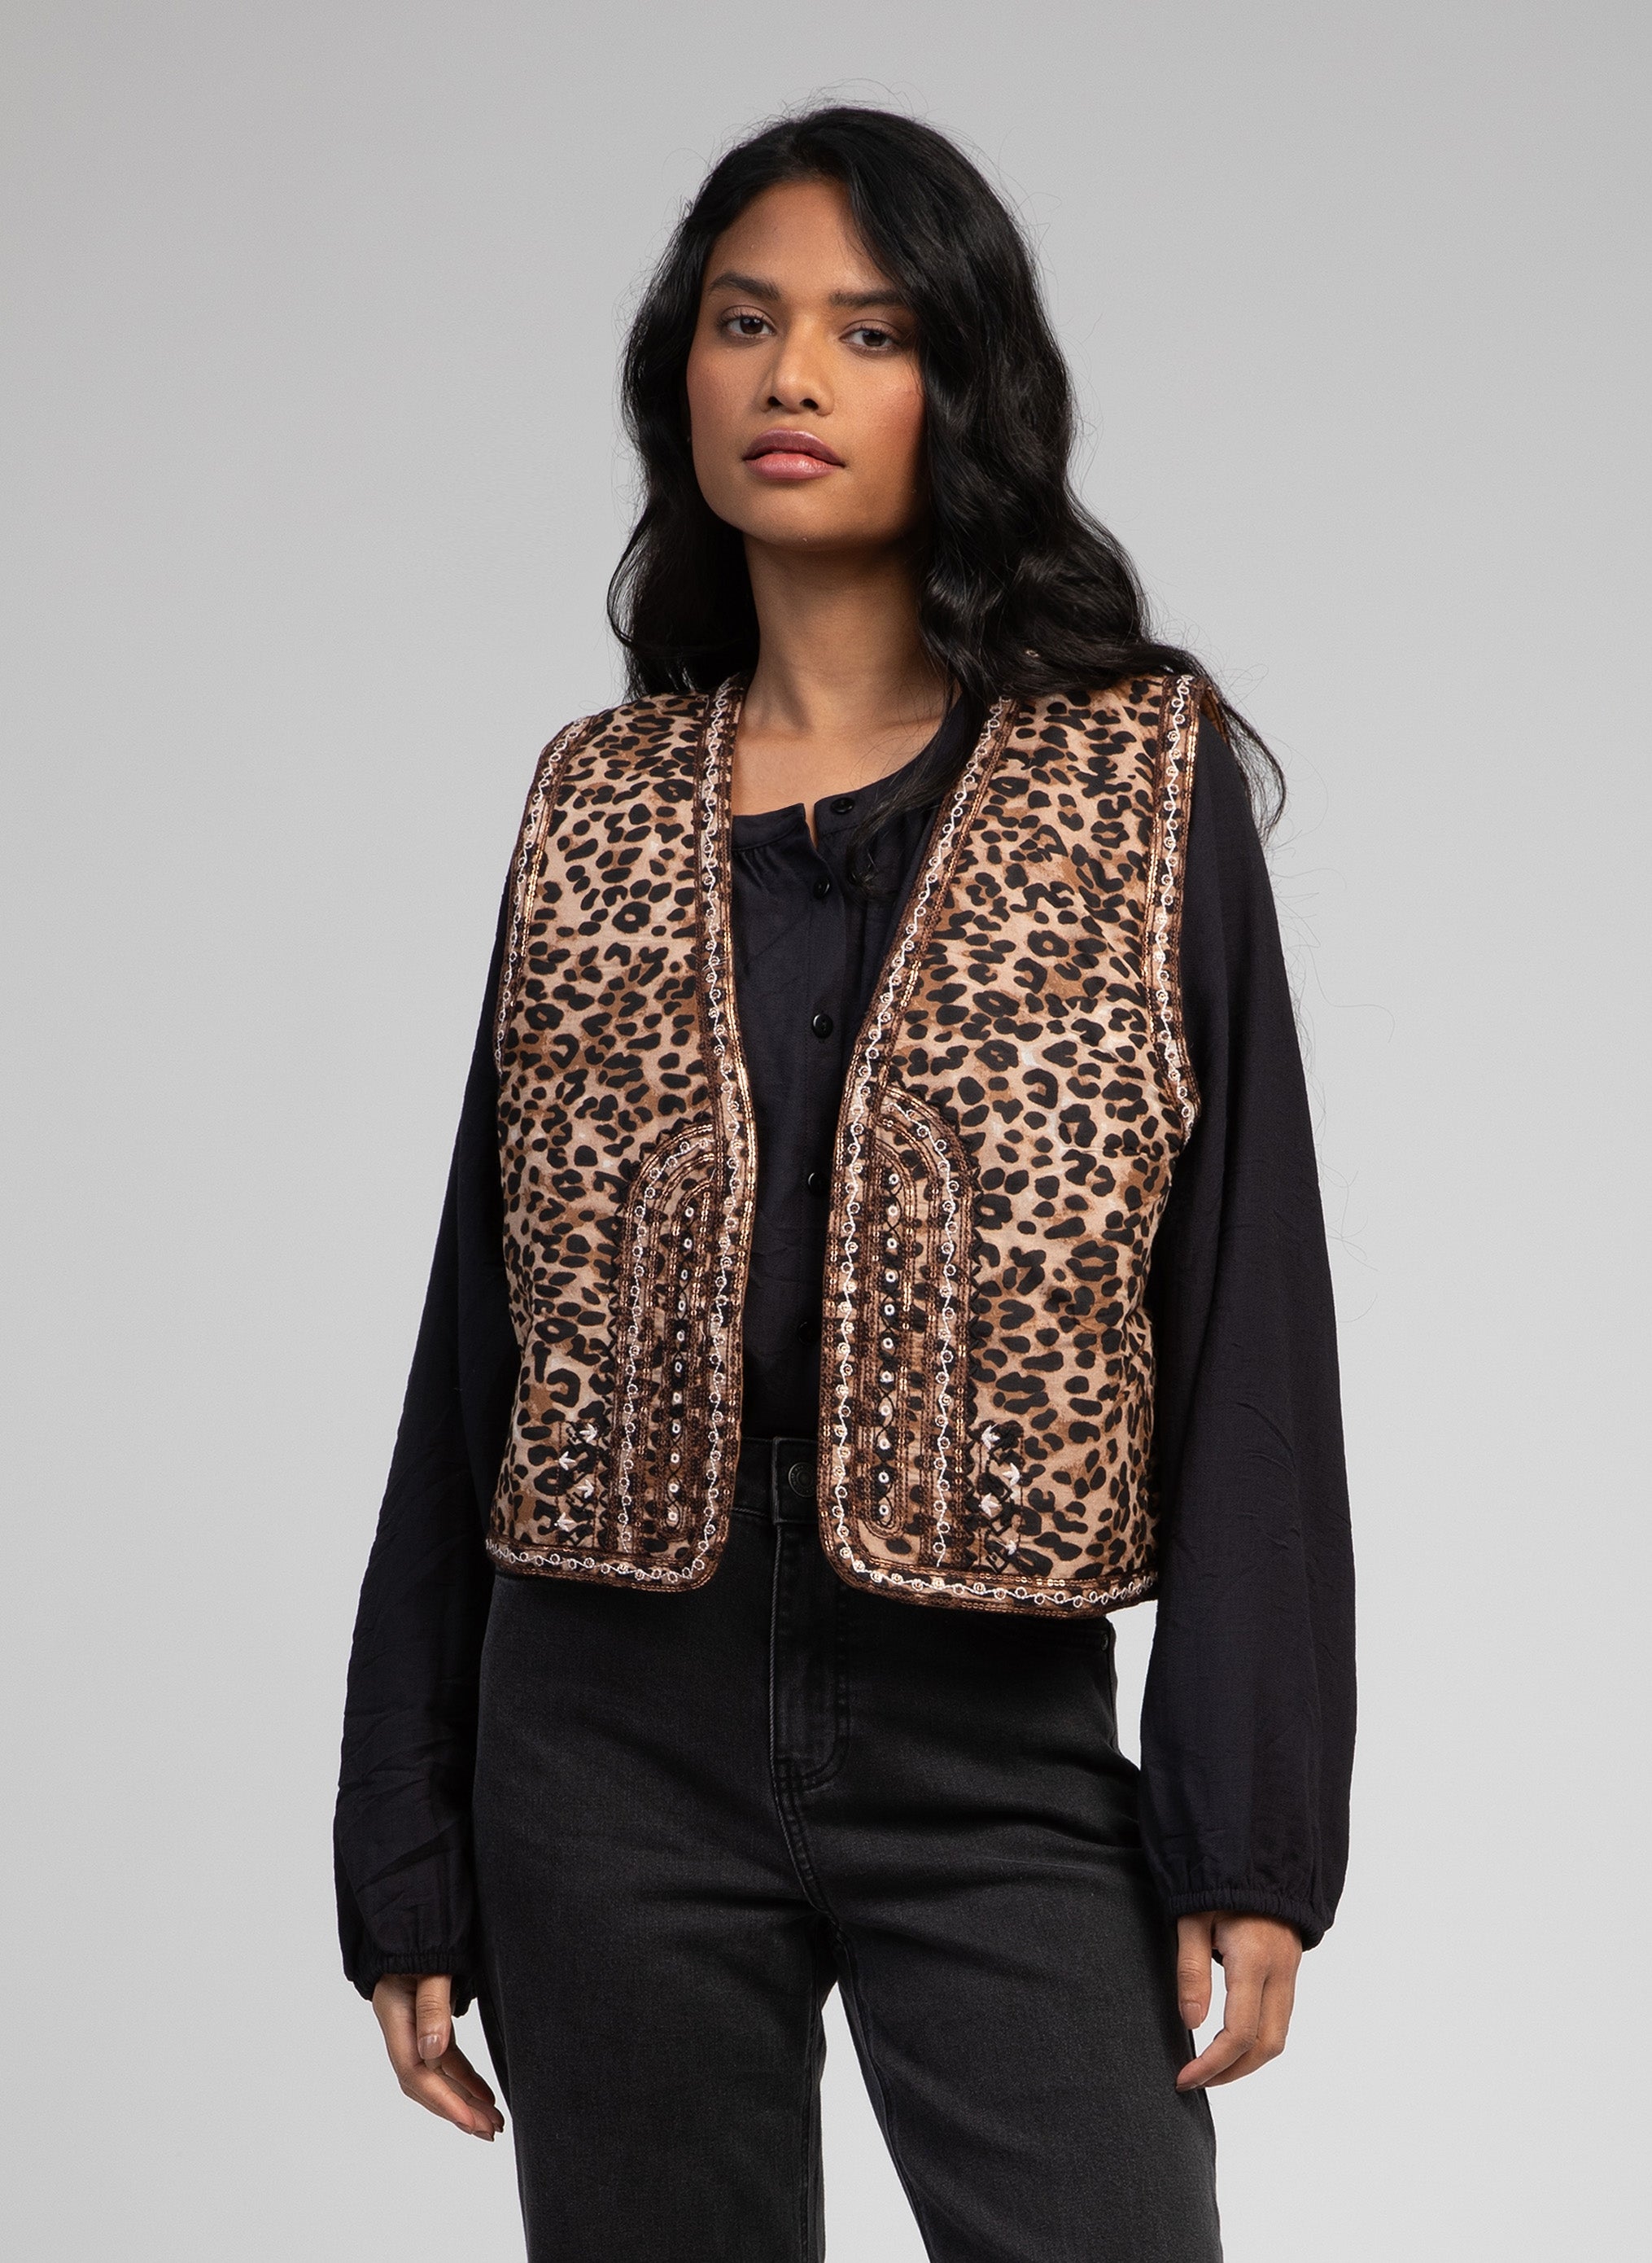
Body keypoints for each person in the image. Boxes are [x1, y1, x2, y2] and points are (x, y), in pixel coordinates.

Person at [334, 105, 1355, 2263]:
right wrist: (406, 1842)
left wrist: (1248, 1827)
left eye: (869, 331)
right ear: (680, 375)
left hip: (988, 1725)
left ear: (959, 386)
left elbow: (1249, 1302)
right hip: (601, 1727)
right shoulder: (595, 805)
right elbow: (474, 1339)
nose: (792, 374)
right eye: (745, 322)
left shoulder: (1137, 775)